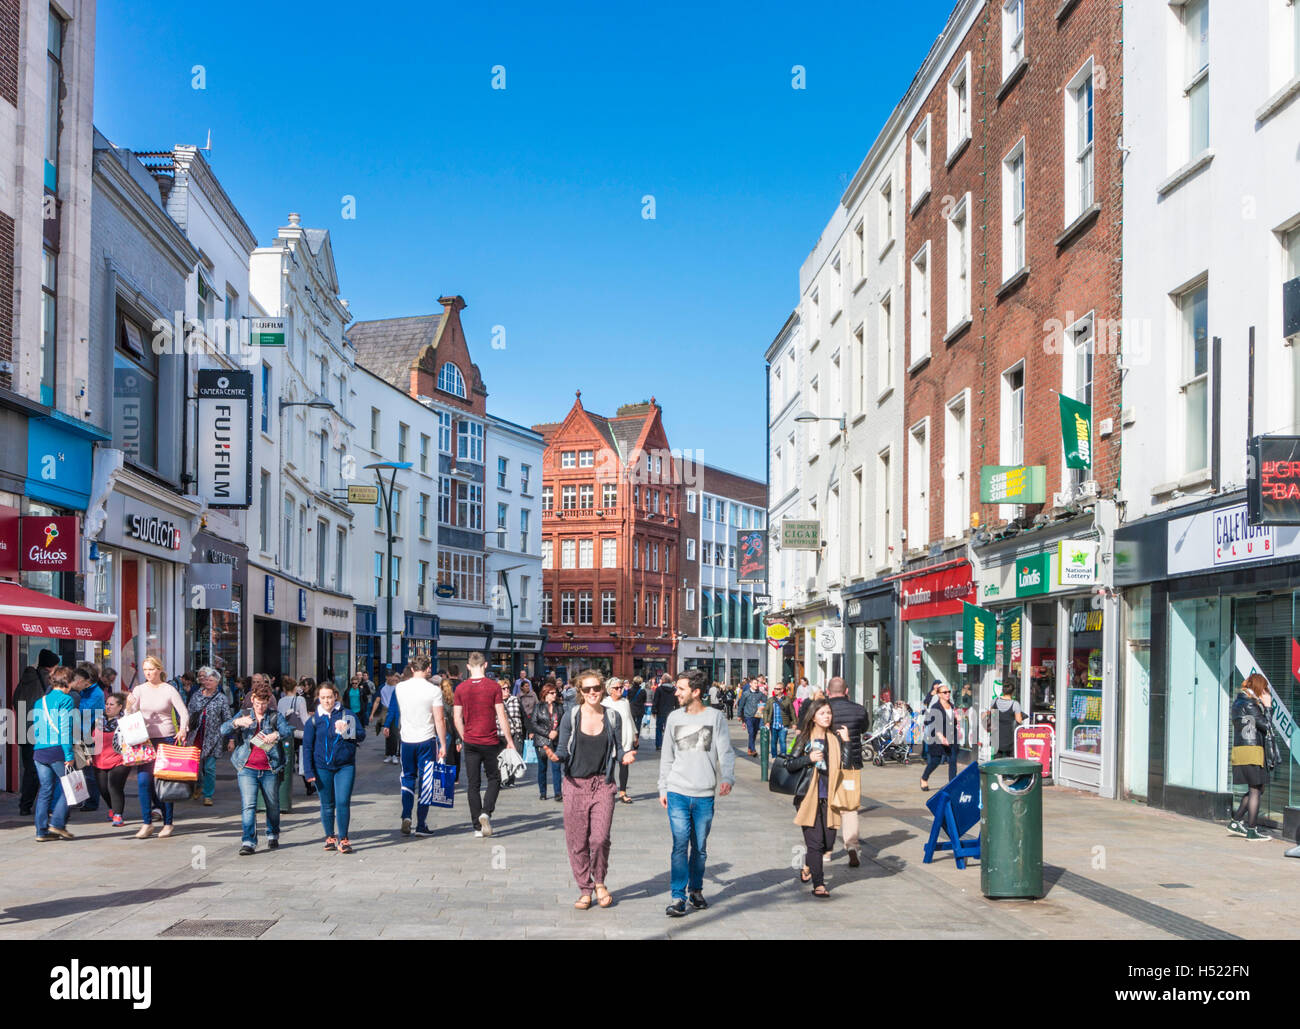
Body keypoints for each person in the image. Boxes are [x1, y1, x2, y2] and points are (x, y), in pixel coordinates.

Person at [551, 669, 634, 909]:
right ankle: (585, 889)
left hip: (603, 784)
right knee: (577, 841)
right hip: (575, 784)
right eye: (586, 689)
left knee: (599, 838)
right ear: (580, 692)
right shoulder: (571, 716)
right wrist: (555, 757)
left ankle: (599, 881)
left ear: (603, 689)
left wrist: (625, 757)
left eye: (596, 688)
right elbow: (563, 750)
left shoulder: (612, 716)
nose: (592, 693)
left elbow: (619, 748)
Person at [659, 668, 735, 917]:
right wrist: (663, 786)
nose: (676, 693)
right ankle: (678, 897)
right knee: (680, 844)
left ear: (696, 692)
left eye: (681, 688)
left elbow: (725, 750)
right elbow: (667, 756)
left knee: (700, 847)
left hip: (704, 794)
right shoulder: (673, 718)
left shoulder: (715, 717)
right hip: (678, 791)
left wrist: (727, 776)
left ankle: (696, 890)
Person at [785, 698, 850, 898]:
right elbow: (790, 764)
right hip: (808, 797)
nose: (827, 716)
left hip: (830, 797)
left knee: (828, 843)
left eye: (828, 713)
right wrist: (808, 759)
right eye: (822, 713)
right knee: (815, 844)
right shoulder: (804, 739)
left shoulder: (835, 739)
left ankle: (807, 865)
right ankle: (819, 884)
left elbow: (846, 765)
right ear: (813, 717)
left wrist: (846, 742)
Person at [220, 682, 292, 855]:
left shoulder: (275, 716)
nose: (260, 707)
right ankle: (248, 841)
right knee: (248, 805)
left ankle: (273, 833)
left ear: (269, 702)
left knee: (272, 805)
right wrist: (237, 722)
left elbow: (287, 730)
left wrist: (276, 734)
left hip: (270, 768)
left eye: (264, 703)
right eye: (258, 703)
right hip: (247, 767)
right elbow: (223, 729)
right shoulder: (244, 714)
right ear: (252, 699)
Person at [453, 651, 518, 837]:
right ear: (485, 665)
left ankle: (477, 827)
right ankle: (486, 812)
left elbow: (456, 717)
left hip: (470, 741)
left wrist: (464, 736)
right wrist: (510, 741)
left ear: (468, 667)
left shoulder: (461, 688)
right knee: (494, 778)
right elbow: (501, 715)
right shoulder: (493, 687)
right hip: (490, 741)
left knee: (473, 784)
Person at [125, 656, 190, 839]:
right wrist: (129, 705)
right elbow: (129, 714)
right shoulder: (139, 690)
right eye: (145, 670)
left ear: (159, 670)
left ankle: (168, 823)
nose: (148, 673)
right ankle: (147, 823)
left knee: (165, 782)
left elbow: (183, 712)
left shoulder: (168, 689)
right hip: (144, 740)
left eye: (151, 669)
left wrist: (183, 729)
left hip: (166, 739)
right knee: (143, 781)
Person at [386, 656, 448, 837]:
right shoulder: (433, 691)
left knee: (407, 777)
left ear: (412, 669)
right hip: (427, 739)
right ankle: (421, 823)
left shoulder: (400, 688)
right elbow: (439, 719)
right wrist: (443, 744)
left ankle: (406, 815)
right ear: (428, 668)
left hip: (406, 740)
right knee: (426, 781)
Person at [303, 681, 365, 854]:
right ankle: (330, 836)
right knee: (327, 803)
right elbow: (307, 747)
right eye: (323, 698)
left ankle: (344, 838)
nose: (326, 701)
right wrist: (308, 771)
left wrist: (348, 730)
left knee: (343, 801)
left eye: (329, 697)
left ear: (335, 696)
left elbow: (361, 735)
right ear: (318, 699)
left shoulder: (347, 714)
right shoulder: (314, 720)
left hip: (345, 766)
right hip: (322, 766)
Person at [825, 677, 868, 867]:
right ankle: (852, 845)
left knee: (829, 805)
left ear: (828, 691)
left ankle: (827, 851)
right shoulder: (859, 710)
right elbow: (864, 728)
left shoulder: (823, 710)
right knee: (849, 807)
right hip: (852, 766)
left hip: (828, 764)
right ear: (847, 690)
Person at [32, 665, 77, 841]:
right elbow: (65, 729)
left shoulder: (40, 701)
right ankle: (57, 824)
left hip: (40, 751)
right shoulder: (66, 700)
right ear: (68, 682)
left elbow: (36, 729)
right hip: (57, 749)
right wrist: (69, 755)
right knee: (71, 786)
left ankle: (41, 832)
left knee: (45, 790)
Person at [1229, 673, 1276, 842]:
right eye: (1264, 688)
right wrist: (1268, 706)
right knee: (1256, 790)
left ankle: (1235, 822)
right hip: (1252, 750)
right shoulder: (1250, 703)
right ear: (1258, 687)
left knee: (1258, 788)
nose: (1266, 692)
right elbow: (1267, 726)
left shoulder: (1239, 701)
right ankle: (1251, 830)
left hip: (1242, 749)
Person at [15, 648, 59, 816]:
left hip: (23, 731)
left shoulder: (24, 681)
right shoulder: (46, 681)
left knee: (30, 770)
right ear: (50, 666)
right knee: (44, 771)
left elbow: (15, 701)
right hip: (40, 732)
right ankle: (43, 805)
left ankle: (25, 805)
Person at [187, 667, 234, 806]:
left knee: (209, 767)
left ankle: (208, 794)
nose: (207, 682)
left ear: (217, 682)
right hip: (195, 736)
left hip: (213, 738)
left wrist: (231, 739)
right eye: (206, 679)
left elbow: (227, 719)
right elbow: (188, 713)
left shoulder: (221, 698)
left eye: (211, 680)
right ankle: (199, 785)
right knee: (195, 766)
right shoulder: (196, 695)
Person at [92, 692, 131, 826]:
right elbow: (91, 740)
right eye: (107, 704)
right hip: (99, 760)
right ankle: (112, 808)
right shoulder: (99, 720)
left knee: (114, 786)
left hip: (120, 760)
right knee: (103, 788)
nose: (108, 707)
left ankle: (118, 815)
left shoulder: (124, 721)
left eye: (112, 704)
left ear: (120, 707)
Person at [603, 677, 638, 804]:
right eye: (616, 688)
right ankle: (609, 792)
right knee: (610, 767)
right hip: (612, 740)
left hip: (627, 737)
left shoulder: (625, 701)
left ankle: (623, 792)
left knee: (624, 767)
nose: (619, 690)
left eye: (621, 687)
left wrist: (635, 735)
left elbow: (630, 718)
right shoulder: (605, 703)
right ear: (610, 690)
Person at [277, 679, 312, 795]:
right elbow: (304, 718)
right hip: (299, 734)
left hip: (286, 734)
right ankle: (308, 787)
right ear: (295, 688)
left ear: (284, 689)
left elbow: (279, 718)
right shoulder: (300, 699)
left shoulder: (281, 701)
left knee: (286, 760)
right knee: (302, 760)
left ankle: (284, 787)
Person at [919, 683, 958, 790]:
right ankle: (924, 778)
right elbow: (934, 724)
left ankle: (952, 785)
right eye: (945, 692)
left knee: (953, 760)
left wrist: (956, 718)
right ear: (939, 694)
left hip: (951, 736)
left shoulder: (951, 705)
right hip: (937, 738)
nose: (947, 694)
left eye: (948, 692)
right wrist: (941, 737)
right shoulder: (935, 707)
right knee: (935, 761)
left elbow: (952, 721)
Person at [533, 681, 565, 801]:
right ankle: (543, 792)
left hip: (556, 741)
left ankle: (558, 793)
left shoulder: (559, 707)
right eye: (551, 693)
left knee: (556, 767)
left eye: (555, 693)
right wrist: (547, 733)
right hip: (542, 741)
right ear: (545, 694)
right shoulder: (538, 706)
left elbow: (563, 722)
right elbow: (534, 724)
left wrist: (556, 731)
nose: (554, 695)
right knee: (542, 768)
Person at [986, 680, 1024, 758]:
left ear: (1003, 691)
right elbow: (1019, 720)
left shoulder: (995, 701)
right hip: (1009, 737)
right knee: (1009, 759)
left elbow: (991, 714)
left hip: (996, 735)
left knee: (997, 758)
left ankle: (996, 770)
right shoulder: (1015, 704)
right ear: (1012, 692)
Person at [763, 682, 795, 759]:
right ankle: (774, 756)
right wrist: (766, 722)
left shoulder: (787, 700)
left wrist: (794, 722)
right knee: (773, 742)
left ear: (782, 690)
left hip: (783, 725)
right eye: (775, 688)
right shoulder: (771, 700)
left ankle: (783, 756)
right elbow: (765, 711)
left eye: (777, 689)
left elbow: (792, 711)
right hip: (773, 724)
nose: (775, 690)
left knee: (782, 741)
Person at [501, 680, 527, 763]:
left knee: (515, 760)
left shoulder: (515, 699)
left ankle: (512, 776)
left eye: (508, 688)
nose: (507, 690)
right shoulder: (496, 701)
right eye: (503, 688)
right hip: (501, 735)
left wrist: (528, 731)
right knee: (503, 762)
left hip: (516, 734)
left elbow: (523, 716)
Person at [738, 679, 764, 756]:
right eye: (755, 683)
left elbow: (765, 701)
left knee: (754, 733)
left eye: (757, 683)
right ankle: (753, 749)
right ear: (750, 684)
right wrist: (739, 715)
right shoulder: (746, 693)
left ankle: (749, 748)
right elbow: (741, 705)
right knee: (751, 732)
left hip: (757, 716)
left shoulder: (760, 694)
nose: (756, 685)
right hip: (748, 715)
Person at [652, 675, 678, 750]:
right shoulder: (674, 690)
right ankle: (668, 744)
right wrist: (677, 710)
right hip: (671, 712)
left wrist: (654, 710)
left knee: (659, 728)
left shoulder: (659, 689)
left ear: (663, 680)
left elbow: (655, 700)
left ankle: (659, 744)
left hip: (660, 711)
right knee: (669, 729)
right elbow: (677, 702)